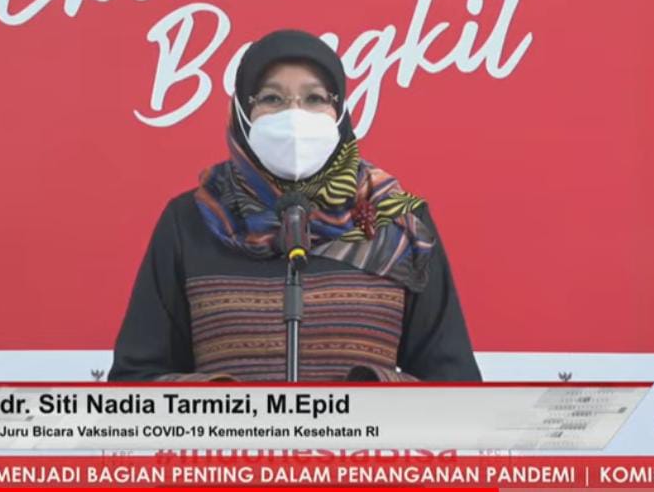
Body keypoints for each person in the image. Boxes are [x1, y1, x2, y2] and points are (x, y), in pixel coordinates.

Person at [107, 29, 481, 382]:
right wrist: (227, 405)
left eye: (315, 98)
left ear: (340, 112)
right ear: (242, 114)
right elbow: (135, 382)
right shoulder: (191, 221)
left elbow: (454, 386)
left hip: (368, 434)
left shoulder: (396, 221)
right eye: (272, 99)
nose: (294, 115)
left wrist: (366, 399)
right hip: (227, 434)